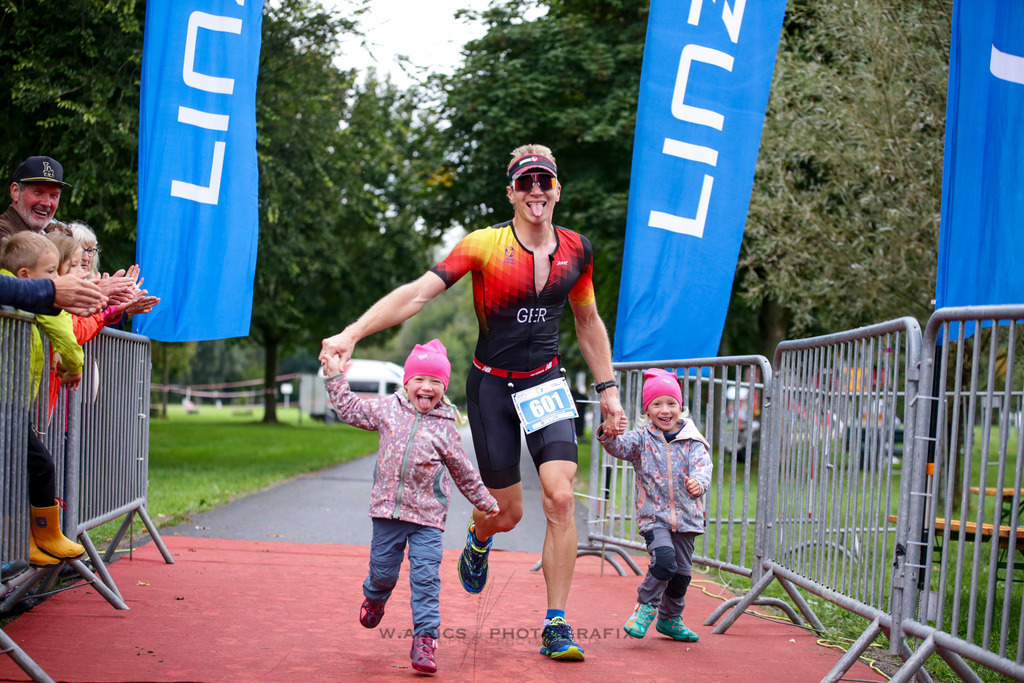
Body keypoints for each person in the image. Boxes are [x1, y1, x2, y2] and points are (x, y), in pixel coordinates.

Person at [320, 143, 626, 661]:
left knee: (560, 497)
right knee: (506, 513)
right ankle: (480, 537)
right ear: (510, 191)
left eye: (544, 182)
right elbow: (419, 294)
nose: (535, 191)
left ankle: (556, 623)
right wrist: (353, 332)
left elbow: (588, 321)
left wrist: (610, 392)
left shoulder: (578, 250)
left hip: (546, 383)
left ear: (557, 190)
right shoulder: (484, 245)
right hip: (490, 387)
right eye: (525, 182)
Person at [324, 339, 499, 675]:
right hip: (387, 514)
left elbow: (462, 470)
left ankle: (425, 640)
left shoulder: (446, 425)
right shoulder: (388, 410)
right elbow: (351, 409)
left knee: (425, 579)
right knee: (383, 572)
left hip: (427, 519)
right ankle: (375, 596)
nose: (427, 387)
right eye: (420, 379)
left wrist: (485, 501)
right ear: (406, 382)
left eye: (436, 382)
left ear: (443, 388)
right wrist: (334, 377)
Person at [596, 368, 712, 642]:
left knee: (682, 575)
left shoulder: (693, 439)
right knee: (664, 562)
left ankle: (670, 620)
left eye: (671, 403)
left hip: (687, 520)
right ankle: (643, 608)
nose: (665, 410)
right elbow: (618, 447)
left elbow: (703, 467)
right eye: (657, 404)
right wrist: (608, 431)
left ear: (680, 407)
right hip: (655, 518)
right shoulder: (641, 438)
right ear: (647, 410)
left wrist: (698, 482)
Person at [0, 232, 87, 567]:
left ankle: (34, 539)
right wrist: (74, 365)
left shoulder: (21, 291)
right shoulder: (28, 296)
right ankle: (27, 541)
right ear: (26, 276)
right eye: (51, 272)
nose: (57, 281)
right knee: (36, 467)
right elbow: (62, 328)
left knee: (23, 471)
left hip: (14, 400)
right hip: (8, 401)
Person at [0, 156, 69, 239]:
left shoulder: (46, 236)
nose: (47, 203)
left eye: (54, 195)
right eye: (38, 192)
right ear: (15, 192)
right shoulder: (4, 236)